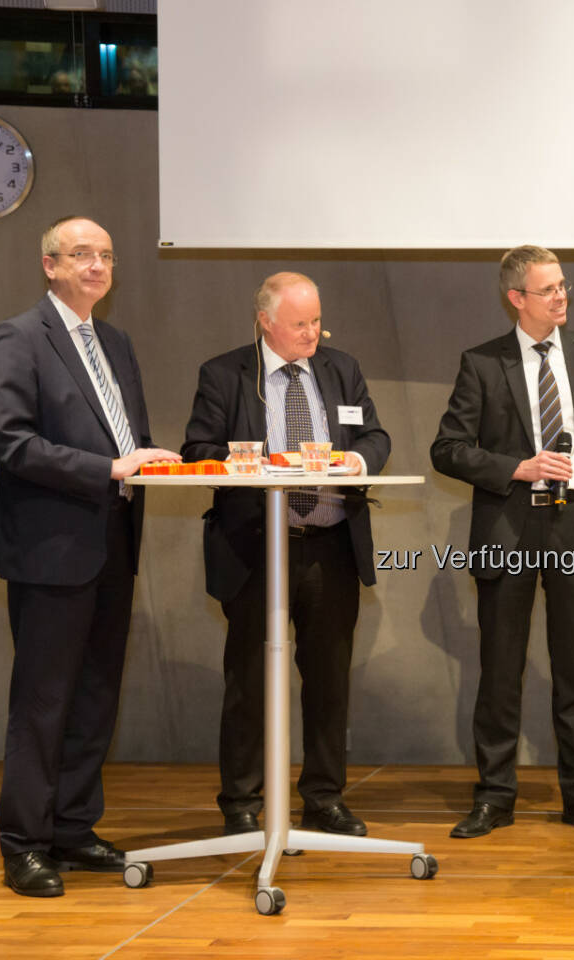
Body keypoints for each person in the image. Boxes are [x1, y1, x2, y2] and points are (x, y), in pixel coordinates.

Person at [0, 216, 179, 897]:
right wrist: (111, 469)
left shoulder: (115, 342)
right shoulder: (18, 337)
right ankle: (24, 845)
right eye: (81, 255)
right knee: (43, 702)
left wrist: (146, 462)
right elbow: (9, 440)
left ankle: (71, 827)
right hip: (49, 550)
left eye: (106, 256)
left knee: (94, 697)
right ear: (50, 265)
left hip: (113, 544)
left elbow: (129, 437)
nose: (97, 266)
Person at [431, 244, 574, 839]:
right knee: (500, 668)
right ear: (516, 298)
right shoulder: (482, 363)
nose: (561, 296)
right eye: (548, 289)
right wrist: (517, 467)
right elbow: (447, 449)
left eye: (563, 286)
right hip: (510, 522)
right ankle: (495, 796)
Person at [181, 272, 390, 838]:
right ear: (265, 322)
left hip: (330, 547)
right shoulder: (225, 374)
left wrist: (358, 460)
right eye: (299, 324)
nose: (312, 333)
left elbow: (375, 435)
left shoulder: (341, 368)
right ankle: (242, 803)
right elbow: (197, 448)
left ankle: (324, 798)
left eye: (318, 321)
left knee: (328, 681)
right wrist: (252, 462)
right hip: (256, 547)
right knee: (248, 681)